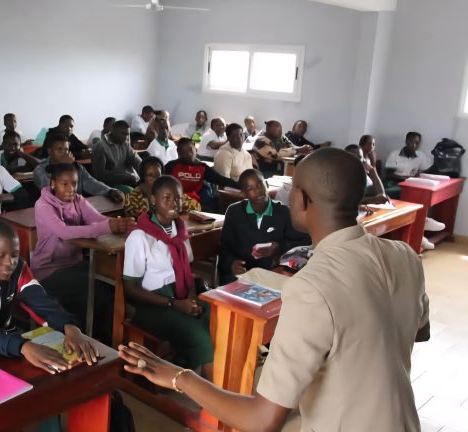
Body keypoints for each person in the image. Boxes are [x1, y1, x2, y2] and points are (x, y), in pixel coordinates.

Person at [119, 147, 429, 432]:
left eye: (293, 188)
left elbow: (262, 419)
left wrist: (178, 376)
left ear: (303, 200)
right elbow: (420, 331)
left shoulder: (311, 287)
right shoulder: (404, 256)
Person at [0, 220, 100, 369]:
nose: (9, 263)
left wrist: (69, 327)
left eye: (14, 255)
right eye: (0, 257)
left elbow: (40, 302)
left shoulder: (18, 269)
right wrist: (22, 346)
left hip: (2, 348)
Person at [123, 175, 213, 378]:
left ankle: (191, 362)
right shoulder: (140, 237)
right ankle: (213, 394)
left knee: (217, 318)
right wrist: (174, 303)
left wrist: (189, 300)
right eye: (167, 198)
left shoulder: (180, 230)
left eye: (178, 198)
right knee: (200, 336)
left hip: (180, 296)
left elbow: (187, 271)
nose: (174, 203)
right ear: (153, 200)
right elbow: (131, 289)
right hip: (152, 305)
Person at [32, 164, 134, 330]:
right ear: (53, 184)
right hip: (48, 271)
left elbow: (98, 219)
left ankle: (103, 332)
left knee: (111, 281)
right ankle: (100, 334)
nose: (70, 188)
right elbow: (63, 232)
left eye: (74, 183)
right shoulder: (44, 205)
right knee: (100, 291)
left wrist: (121, 224)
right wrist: (109, 226)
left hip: (74, 264)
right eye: (64, 184)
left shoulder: (78, 200)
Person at [217, 169, 310, 284]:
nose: (257, 191)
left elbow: (305, 242)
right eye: (250, 189)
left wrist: (278, 247)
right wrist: (231, 263)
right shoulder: (234, 212)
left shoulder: (284, 212)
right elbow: (225, 246)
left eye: (259, 185)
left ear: (266, 184)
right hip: (242, 274)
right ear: (243, 193)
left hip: (272, 273)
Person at [384, 132, 444, 249]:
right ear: (406, 141)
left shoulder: (420, 156)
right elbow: (389, 174)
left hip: (410, 184)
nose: (414, 145)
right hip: (394, 183)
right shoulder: (395, 154)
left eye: (417, 143)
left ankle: (422, 226)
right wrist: (406, 178)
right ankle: (424, 225)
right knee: (407, 198)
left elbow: (433, 166)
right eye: (412, 142)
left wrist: (420, 174)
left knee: (418, 198)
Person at [34, 133, 123, 202]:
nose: (64, 153)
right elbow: (52, 192)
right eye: (59, 149)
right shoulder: (40, 170)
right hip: (53, 211)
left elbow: (91, 183)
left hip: (76, 207)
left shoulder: (76, 166)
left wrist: (109, 191)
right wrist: (65, 166)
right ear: (50, 151)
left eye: (66, 149)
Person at [166, 138, 235, 212]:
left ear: (195, 149)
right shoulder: (171, 166)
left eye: (190, 150)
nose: (189, 154)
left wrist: (239, 185)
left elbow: (220, 179)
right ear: (178, 153)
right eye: (184, 152)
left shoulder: (202, 167)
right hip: (177, 200)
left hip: (198, 200)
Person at [124, 156, 200, 218]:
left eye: (158, 176)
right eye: (150, 176)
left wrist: (182, 207)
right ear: (143, 177)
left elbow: (197, 206)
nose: (155, 180)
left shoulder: (169, 190)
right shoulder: (133, 197)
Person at [91, 120, 142, 192]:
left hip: (129, 180)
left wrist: (145, 172)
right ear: (113, 131)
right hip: (109, 185)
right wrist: (125, 177)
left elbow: (137, 161)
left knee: (146, 187)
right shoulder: (101, 147)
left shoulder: (125, 144)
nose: (126, 137)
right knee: (132, 191)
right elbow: (100, 175)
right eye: (123, 134)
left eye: (127, 134)